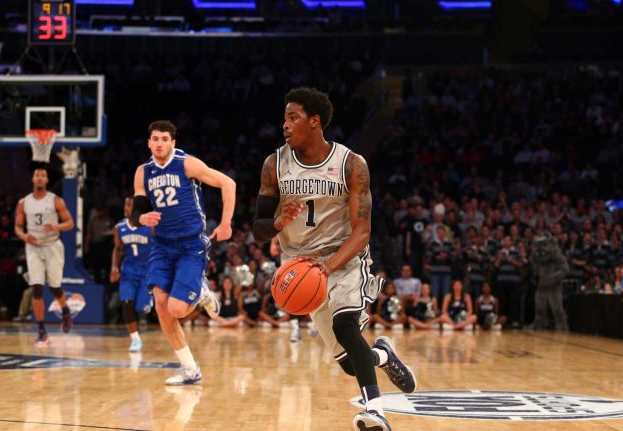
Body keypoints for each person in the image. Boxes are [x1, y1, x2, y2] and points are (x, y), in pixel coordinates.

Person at [251, 87, 415, 431]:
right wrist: (278, 223)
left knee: (345, 325)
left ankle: (375, 412)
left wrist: (329, 266)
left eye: (293, 117)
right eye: (284, 118)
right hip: (301, 265)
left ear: (315, 122)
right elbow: (258, 228)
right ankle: (383, 354)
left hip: (344, 257)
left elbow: (362, 231)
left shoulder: (351, 164)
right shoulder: (274, 165)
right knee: (350, 363)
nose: (285, 125)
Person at [131, 120, 235, 385]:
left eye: (165, 139)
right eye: (155, 139)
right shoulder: (143, 172)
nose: (159, 143)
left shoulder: (186, 163)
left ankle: (203, 292)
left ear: (173, 143)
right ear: (149, 143)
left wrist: (225, 223)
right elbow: (137, 209)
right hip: (162, 245)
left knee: (177, 309)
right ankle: (190, 369)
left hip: (190, 244)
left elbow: (228, 183)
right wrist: (141, 218)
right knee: (161, 306)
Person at [14, 167, 75, 346]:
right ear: (33, 179)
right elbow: (17, 226)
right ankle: (41, 330)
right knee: (37, 287)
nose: (40, 178)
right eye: (37, 175)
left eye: (43, 175)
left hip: (52, 245)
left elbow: (70, 223)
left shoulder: (55, 200)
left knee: (55, 287)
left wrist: (56, 227)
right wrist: (24, 236)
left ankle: (65, 311)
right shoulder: (23, 202)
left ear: (47, 180)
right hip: (33, 247)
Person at [110, 197, 154, 352]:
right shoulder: (119, 227)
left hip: (147, 271)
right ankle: (135, 339)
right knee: (126, 303)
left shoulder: (150, 227)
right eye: (125, 204)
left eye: (129, 205)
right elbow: (118, 249)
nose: (125, 208)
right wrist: (114, 267)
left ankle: (149, 300)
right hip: (129, 271)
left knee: (142, 307)